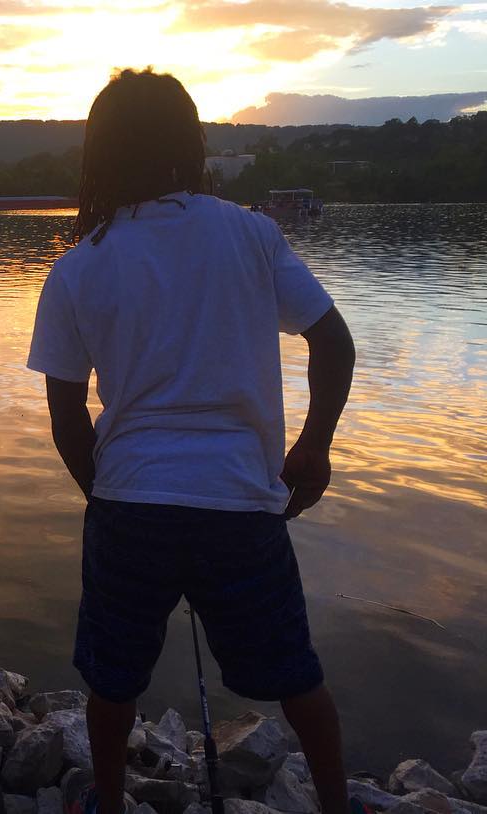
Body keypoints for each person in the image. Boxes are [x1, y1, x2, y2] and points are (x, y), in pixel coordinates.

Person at [26, 68, 356, 814]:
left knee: (113, 681)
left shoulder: (79, 267)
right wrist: (314, 447)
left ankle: (107, 803)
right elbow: (334, 345)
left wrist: (106, 494)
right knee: (297, 676)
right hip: (241, 504)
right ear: (190, 141)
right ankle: (341, 805)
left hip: (130, 505)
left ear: (99, 152)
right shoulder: (250, 232)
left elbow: (67, 417)